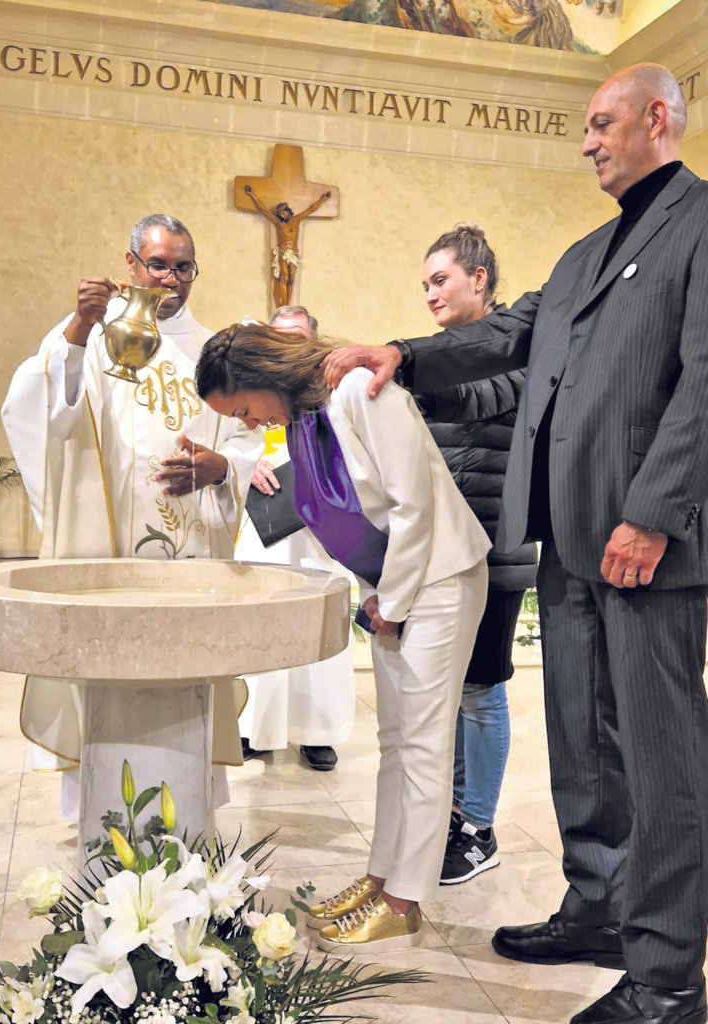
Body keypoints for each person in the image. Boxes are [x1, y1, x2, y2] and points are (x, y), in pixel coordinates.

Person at [323, 63, 708, 1024]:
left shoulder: (700, 226)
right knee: (582, 743)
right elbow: (510, 335)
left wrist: (655, 509)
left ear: (657, 119)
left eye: (600, 123)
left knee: (662, 762)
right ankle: (597, 910)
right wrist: (403, 355)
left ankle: (666, 981)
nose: (585, 141)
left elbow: (705, 385)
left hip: (642, 542)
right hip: (566, 538)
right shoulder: (585, 254)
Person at [196, 322, 491, 952]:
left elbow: (416, 505)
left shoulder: (360, 388)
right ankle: (381, 877)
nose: (249, 424)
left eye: (244, 409)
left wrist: (397, 597)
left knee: (424, 743)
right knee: (396, 742)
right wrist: (382, 594)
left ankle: (405, 900)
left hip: (438, 576)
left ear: (262, 377)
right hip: (393, 583)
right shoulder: (304, 417)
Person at [2, 214, 263, 814]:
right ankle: (100, 814)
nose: (170, 278)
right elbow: (37, 408)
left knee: (186, 679)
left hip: (191, 562)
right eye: (158, 264)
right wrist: (78, 326)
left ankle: (189, 809)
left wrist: (219, 468)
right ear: (131, 265)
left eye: (183, 266)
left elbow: (250, 444)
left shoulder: (214, 352)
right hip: (106, 557)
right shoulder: (95, 336)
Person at [418, 225, 537, 883]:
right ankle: (455, 816)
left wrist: (404, 373)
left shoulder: (518, 350)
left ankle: (479, 829)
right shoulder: (436, 354)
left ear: (479, 280)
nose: (431, 294)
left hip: (495, 545)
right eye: (426, 285)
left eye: (442, 280)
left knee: (483, 687)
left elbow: (479, 399)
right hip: (444, 551)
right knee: (455, 689)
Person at [235, 305, 354, 772]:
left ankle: (316, 732)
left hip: (319, 531)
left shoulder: (333, 392)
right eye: (279, 337)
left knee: (316, 626)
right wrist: (248, 464)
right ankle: (252, 727)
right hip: (263, 527)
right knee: (258, 624)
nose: (288, 347)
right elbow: (228, 441)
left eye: (297, 338)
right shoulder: (249, 389)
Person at [243, 185, 332, 307]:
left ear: (288, 211)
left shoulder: (297, 219)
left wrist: (323, 199)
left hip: (294, 253)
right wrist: (252, 194)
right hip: (283, 252)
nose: (281, 216)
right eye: (279, 214)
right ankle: (283, 305)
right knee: (284, 277)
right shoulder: (279, 223)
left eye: (283, 213)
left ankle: (287, 305)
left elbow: (312, 209)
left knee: (291, 279)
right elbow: (263, 209)